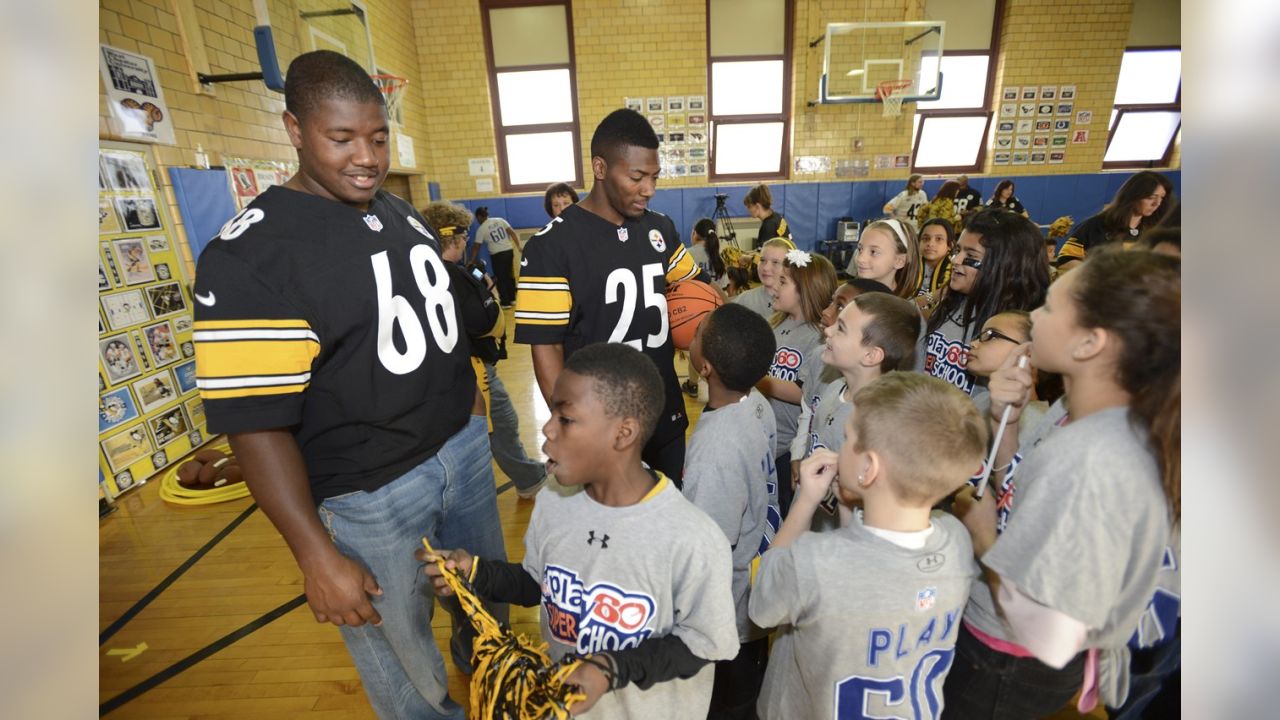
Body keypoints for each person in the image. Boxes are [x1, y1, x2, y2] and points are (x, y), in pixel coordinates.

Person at [191, 50, 505, 720]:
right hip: (370, 495)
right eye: (341, 139)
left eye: (377, 136)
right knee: (403, 662)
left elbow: (438, 327)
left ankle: (491, 674)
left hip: (461, 453)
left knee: (485, 607)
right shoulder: (250, 256)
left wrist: (471, 409)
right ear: (294, 129)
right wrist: (315, 556)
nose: (366, 156)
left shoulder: (398, 211)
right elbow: (254, 425)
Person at [422, 342, 739, 719]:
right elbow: (538, 582)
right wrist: (477, 572)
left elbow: (706, 643)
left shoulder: (692, 539)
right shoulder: (555, 500)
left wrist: (610, 668)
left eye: (565, 418)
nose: (547, 427)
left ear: (623, 434)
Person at [944, 249, 1179, 718]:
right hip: (1010, 648)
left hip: (1008, 661)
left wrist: (982, 533)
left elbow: (1049, 630)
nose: (1034, 316)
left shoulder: (1090, 455)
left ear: (1090, 343)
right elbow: (1024, 495)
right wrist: (1006, 426)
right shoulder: (1084, 417)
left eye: (1049, 307)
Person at [749, 372, 987, 720]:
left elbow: (761, 604)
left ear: (869, 468)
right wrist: (852, 499)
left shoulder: (815, 561)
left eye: (847, 439)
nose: (840, 446)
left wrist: (804, 501)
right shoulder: (956, 538)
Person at [514, 108, 704, 486]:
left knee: (666, 521)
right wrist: (570, 423)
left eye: (654, 177)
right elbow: (546, 348)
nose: (648, 189)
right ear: (600, 168)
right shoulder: (550, 246)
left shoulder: (660, 228)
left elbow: (694, 298)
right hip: (599, 421)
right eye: (636, 177)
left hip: (662, 410)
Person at [682, 303, 779, 719]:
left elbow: (708, 551)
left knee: (729, 706)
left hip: (727, 618)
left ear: (704, 367)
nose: (694, 331)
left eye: (699, 330)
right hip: (750, 596)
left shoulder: (715, 452)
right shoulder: (754, 407)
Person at [426, 201, 549, 500]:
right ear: (452, 237)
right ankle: (529, 479)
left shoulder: (425, 271)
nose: (467, 239)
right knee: (501, 421)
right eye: (464, 234)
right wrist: (488, 296)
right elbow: (483, 322)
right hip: (472, 367)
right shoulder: (454, 275)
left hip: (443, 369)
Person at [797, 291, 921, 533]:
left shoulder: (883, 422)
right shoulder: (833, 388)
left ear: (871, 355)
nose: (828, 330)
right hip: (810, 530)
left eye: (841, 328)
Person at [923, 208, 1050, 396]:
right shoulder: (947, 305)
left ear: (1006, 265)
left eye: (971, 256)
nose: (955, 260)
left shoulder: (1021, 333)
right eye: (957, 250)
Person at [756, 249, 836, 516]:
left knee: (788, 512)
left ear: (806, 290)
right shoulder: (773, 325)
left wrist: (756, 378)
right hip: (763, 438)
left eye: (783, 282)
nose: (774, 287)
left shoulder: (819, 338)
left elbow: (802, 393)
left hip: (788, 446)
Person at [1055, 171, 1175, 272]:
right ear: (1133, 196)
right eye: (1151, 198)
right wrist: (1099, 275)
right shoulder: (1096, 225)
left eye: (1162, 198)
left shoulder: (1158, 230)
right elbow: (1065, 260)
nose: (1157, 204)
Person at [681, 217, 729, 396]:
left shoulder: (687, 254)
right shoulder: (718, 254)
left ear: (695, 234)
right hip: (715, 310)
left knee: (695, 348)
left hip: (692, 309)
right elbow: (724, 287)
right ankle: (718, 386)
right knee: (712, 350)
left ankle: (693, 384)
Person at [846, 219, 923, 300]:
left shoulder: (902, 308)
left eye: (873, 252)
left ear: (899, 261)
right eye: (860, 249)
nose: (860, 259)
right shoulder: (849, 295)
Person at [472, 206, 521, 307]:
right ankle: (512, 299)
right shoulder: (500, 220)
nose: (477, 221)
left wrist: (471, 260)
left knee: (501, 278)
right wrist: (519, 246)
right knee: (509, 275)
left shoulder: (481, 229)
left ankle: (505, 302)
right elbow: (512, 232)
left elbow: (476, 246)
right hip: (508, 251)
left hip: (497, 255)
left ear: (480, 217)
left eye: (477, 219)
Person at [732, 237, 793, 319]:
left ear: (789, 267)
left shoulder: (797, 305)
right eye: (762, 260)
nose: (766, 268)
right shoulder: (745, 300)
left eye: (775, 262)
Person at [916, 217, 955, 314]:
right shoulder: (907, 266)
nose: (930, 243)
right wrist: (935, 295)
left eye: (939, 239)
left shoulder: (956, 270)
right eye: (925, 238)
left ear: (949, 245)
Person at [744, 184, 792, 250]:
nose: (748, 210)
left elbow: (762, 256)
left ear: (757, 206)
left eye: (749, 207)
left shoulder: (768, 226)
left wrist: (744, 257)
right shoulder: (777, 216)